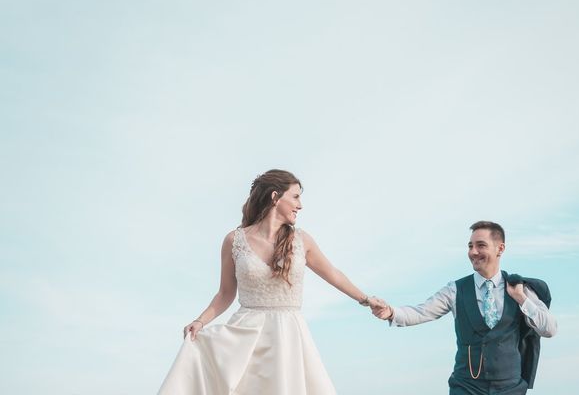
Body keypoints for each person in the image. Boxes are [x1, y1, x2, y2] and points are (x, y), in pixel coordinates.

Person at [158, 169, 378, 395]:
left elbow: (333, 274)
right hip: (246, 337)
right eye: (295, 196)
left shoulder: (302, 240)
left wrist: (367, 300)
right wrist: (200, 321)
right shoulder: (234, 241)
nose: (300, 205)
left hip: (288, 335)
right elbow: (225, 293)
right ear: (275, 197)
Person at [370, 221, 558, 395]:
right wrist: (391, 312)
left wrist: (521, 298)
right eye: (470, 246)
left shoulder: (520, 289)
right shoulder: (455, 290)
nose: (473, 252)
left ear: (500, 249)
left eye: (481, 245)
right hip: (466, 387)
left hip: (510, 388)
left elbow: (549, 329)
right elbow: (421, 312)